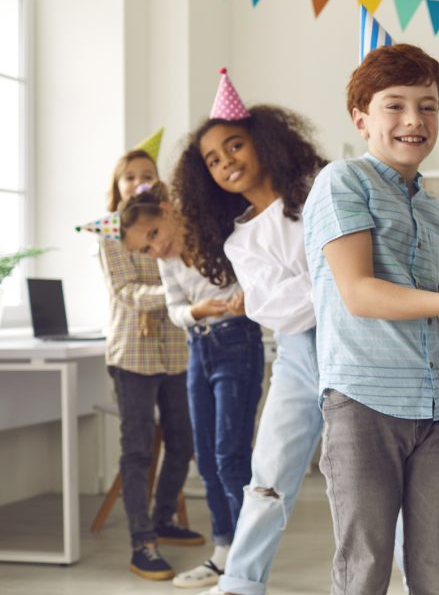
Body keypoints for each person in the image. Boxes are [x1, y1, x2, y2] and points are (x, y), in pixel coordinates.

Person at [303, 43, 439, 594]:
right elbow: (359, 293)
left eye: (427, 106)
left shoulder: (438, 211)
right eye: (395, 105)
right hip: (363, 402)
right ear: (361, 118)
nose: (414, 120)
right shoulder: (342, 182)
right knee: (365, 568)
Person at [174, 69, 327, 595]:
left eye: (233, 146)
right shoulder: (239, 239)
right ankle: (240, 582)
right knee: (269, 472)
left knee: (369, 476)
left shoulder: (319, 197)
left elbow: (338, 279)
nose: (226, 163)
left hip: (358, 346)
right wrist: (325, 285)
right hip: (298, 358)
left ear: (262, 141)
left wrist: (317, 286)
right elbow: (277, 311)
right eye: (213, 161)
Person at [119, 181, 264, 589]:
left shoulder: (215, 233)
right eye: (145, 249)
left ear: (167, 210)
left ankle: (248, 556)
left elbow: (255, 275)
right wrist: (195, 311)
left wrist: (244, 297)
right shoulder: (167, 262)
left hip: (237, 342)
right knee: (205, 456)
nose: (155, 249)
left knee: (230, 456)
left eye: (154, 235)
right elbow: (176, 308)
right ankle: (224, 551)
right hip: (198, 349)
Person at [84, 143, 202, 581]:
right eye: (129, 176)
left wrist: (169, 299)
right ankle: (142, 542)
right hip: (131, 352)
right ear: (117, 186)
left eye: (146, 174)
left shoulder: (171, 218)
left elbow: (183, 268)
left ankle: (164, 518)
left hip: (176, 349)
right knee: (136, 450)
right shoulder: (110, 231)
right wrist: (173, 297)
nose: (139, 182)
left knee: (183, 442)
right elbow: (127, 292)